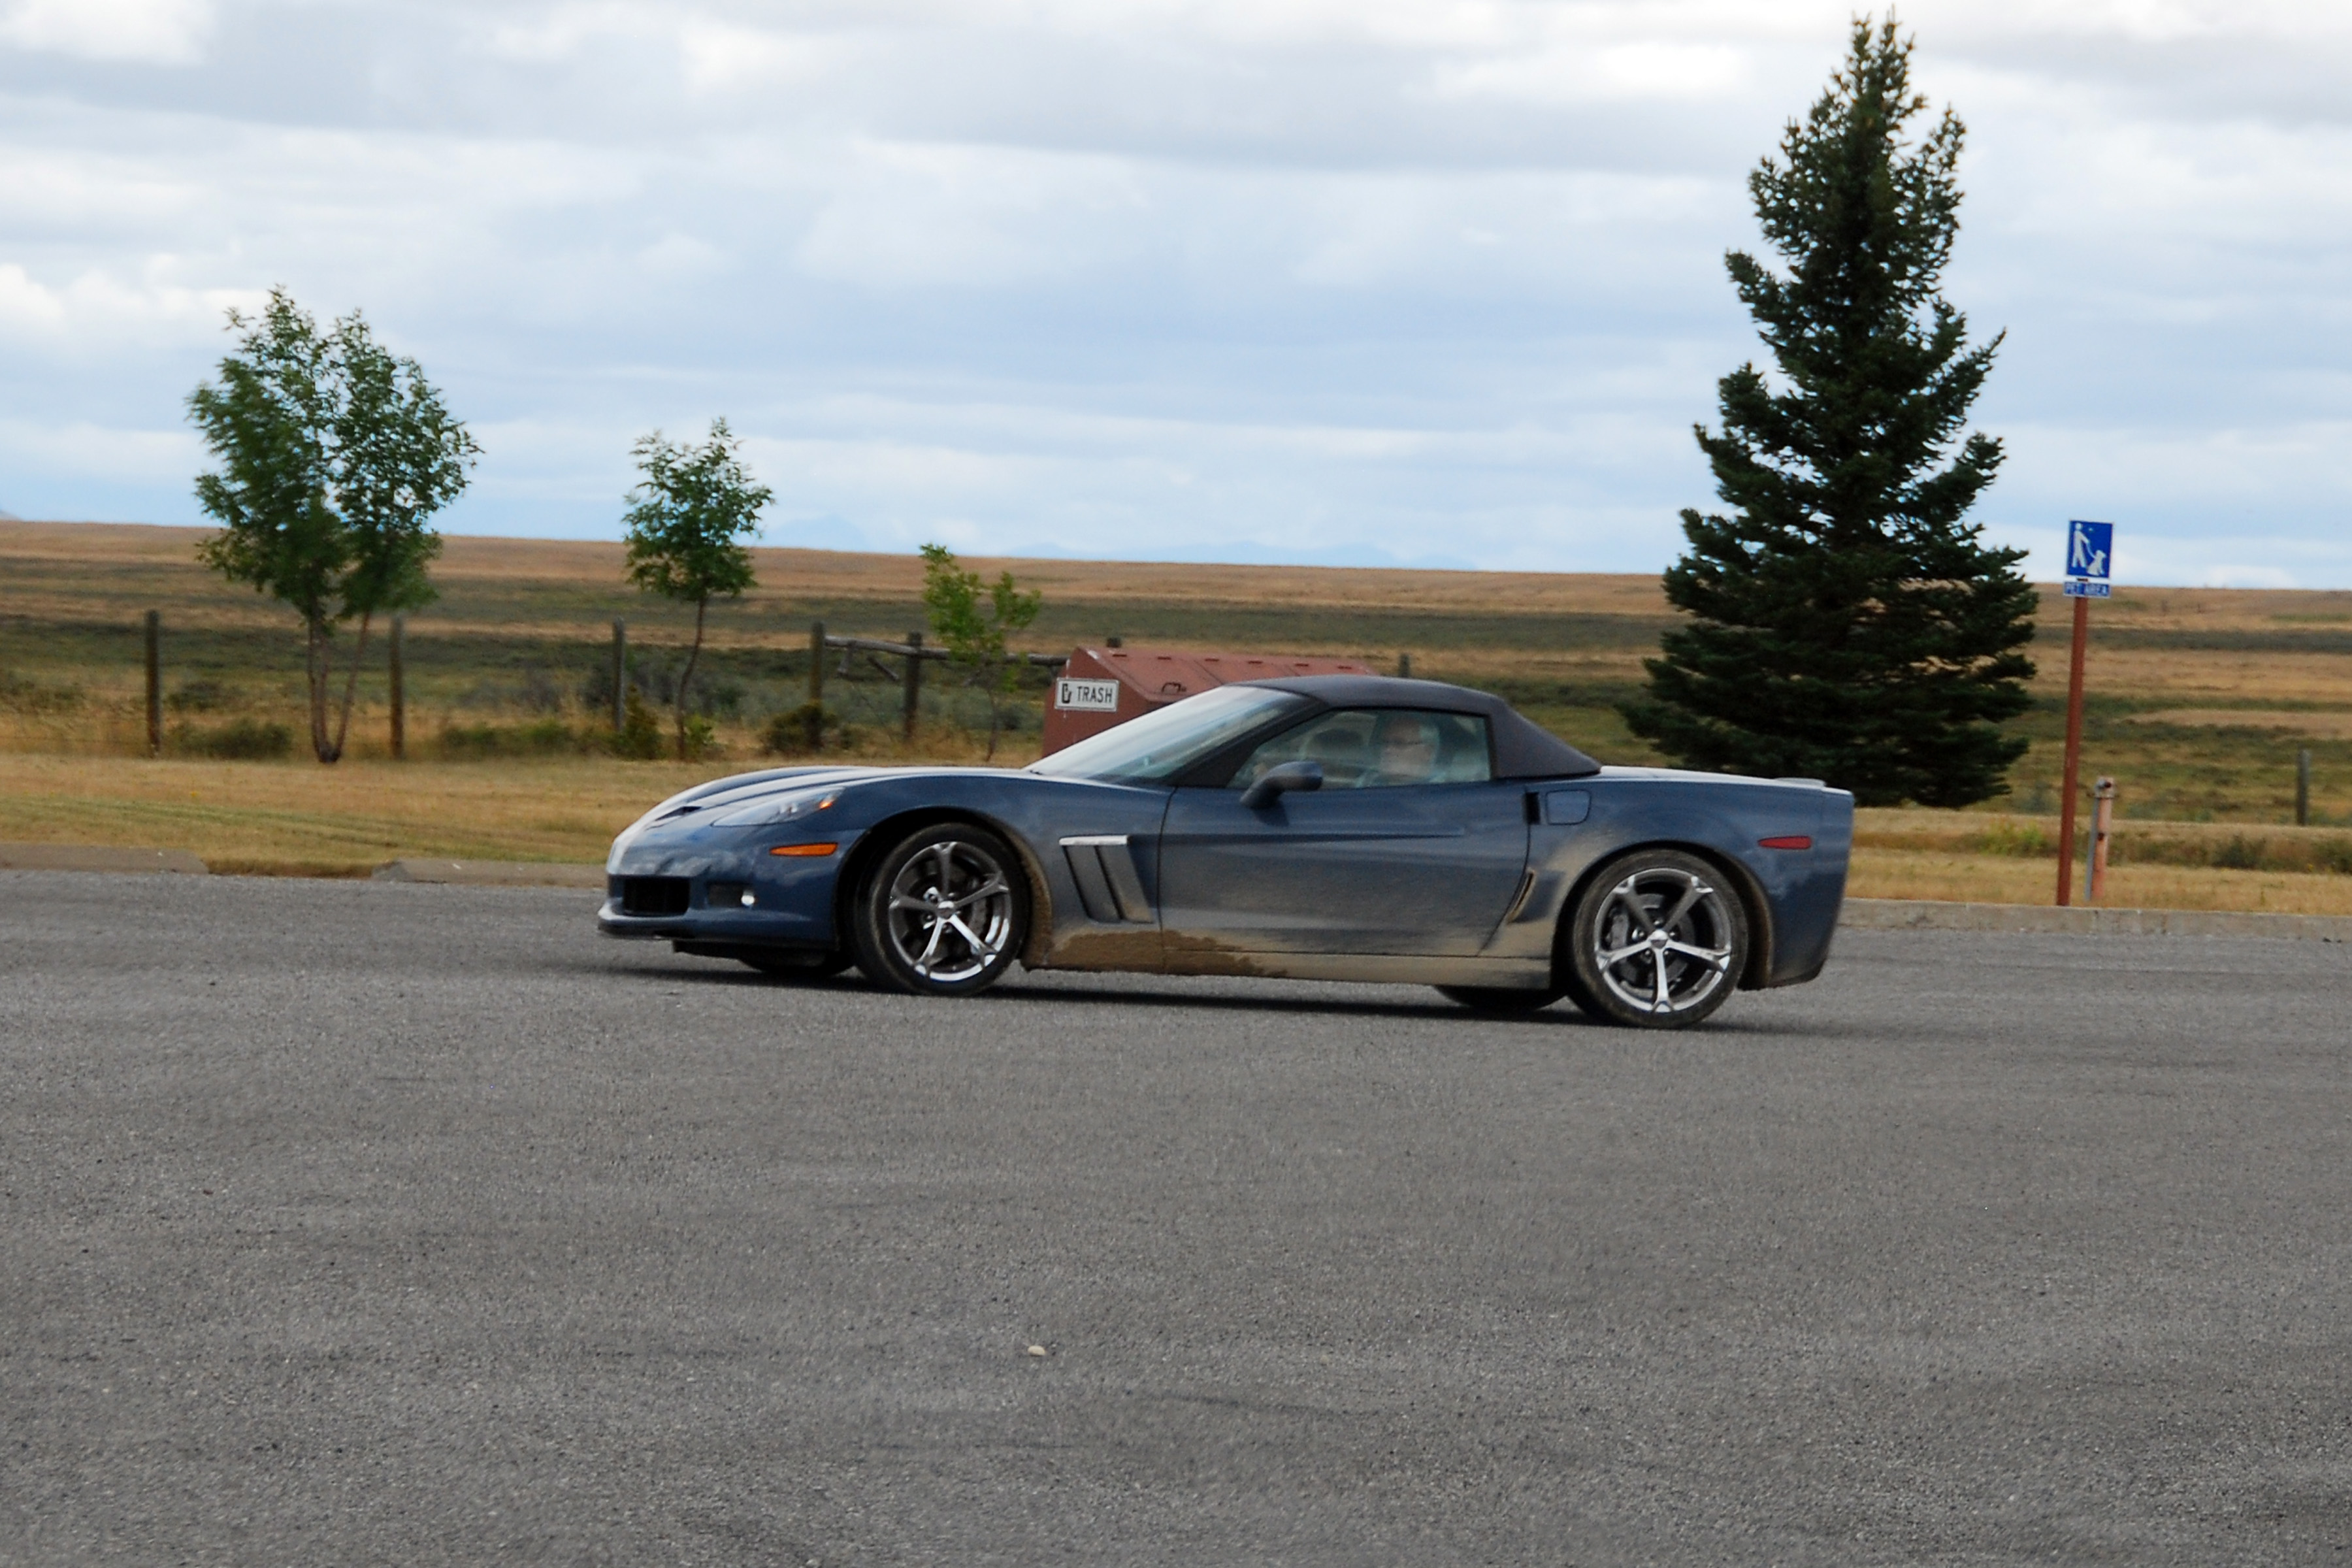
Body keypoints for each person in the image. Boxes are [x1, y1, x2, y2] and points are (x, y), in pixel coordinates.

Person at [1369, 711, 1441, 786]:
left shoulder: (1441, 789)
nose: (1387, 750)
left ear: (1428, 752)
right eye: (1385, 743)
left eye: (1399, 743)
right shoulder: (1368, 781)